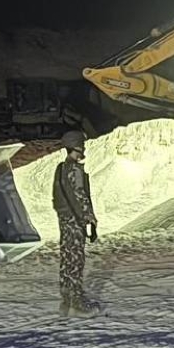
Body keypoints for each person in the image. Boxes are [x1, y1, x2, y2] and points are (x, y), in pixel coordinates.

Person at [52, 130, 100, 317]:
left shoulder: (61, 169)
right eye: (82, 145)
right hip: (75, 221)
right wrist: (90, 218)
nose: (84, 148)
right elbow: (80, 195)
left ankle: (67, 302)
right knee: (75, 261)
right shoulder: (75, 170)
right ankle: (77, 304)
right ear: (77, 146)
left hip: (65, 220)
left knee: (66, 260)